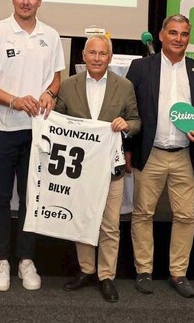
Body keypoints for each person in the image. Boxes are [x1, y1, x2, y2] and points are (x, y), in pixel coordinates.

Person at [0, 0, 65, 292]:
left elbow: (56, 79)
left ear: (40, 1)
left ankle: (26, 260)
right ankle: (1, 261)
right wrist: (13, 100)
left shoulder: (51, 36)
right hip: (1, 129)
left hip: (37, 132)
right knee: (0, 198)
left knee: (31, 198)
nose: (26, 1)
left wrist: (50, 95)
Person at [126, 14, 194, 298]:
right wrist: (127, 150)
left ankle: (178, 273)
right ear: (161, 35)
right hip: (150, 153)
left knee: (187, 216)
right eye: (173, 32)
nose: (178, 38)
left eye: (184, 34)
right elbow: (129, 111)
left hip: (185, 156)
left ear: (189, 38)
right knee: (142, 214)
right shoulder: (140, 68)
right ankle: (144, 270)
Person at [57, 35, 140, 303]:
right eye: (92, 52)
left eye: (102, 54)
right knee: (81, 220)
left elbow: (136, 120)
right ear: (83, 55)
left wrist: (126, 125)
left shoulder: (124, 86)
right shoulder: (68, 85)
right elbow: (57, 120)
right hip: (80, 170)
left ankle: (106, 276)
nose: (96, 58)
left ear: (110, 57)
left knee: (110, 225)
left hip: (111, 170)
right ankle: (85, 270)